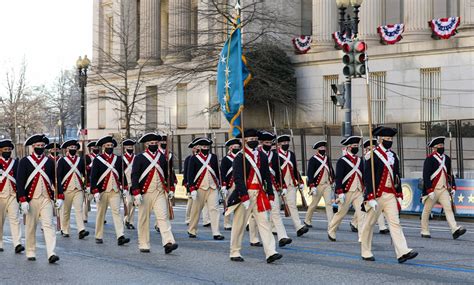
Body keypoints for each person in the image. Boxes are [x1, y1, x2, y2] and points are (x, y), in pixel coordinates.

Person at [360, 126, 418, 263]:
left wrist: (398, 193)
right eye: (387, 139)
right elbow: (367, 177)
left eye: (391, 139)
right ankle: (365, 250)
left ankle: (402, 252)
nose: (389, 141)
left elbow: (396, 176)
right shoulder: (372, 155)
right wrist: (370, 196)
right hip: (377, 195)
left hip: (390, 194)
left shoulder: (393, 156)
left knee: (395, 223)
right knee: (369, 223)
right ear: (380, 140)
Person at [228, 129, 282, 263]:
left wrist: (269, 192)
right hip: (245, 194)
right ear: (244, 141)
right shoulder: (240, 157)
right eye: (250, 139)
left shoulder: (262, 156)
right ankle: (234, 251)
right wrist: (244, 196)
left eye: (255, 139)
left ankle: (270, 252)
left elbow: (266, 176)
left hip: (259, 193)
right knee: (239, 225)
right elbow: (238, 178)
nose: (253, 142)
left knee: (265, 223)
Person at [17, 134, 62, 263]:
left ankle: (51, 253)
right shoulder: (25, 161)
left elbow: (56, 180)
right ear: (33, 147)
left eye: (42, 146)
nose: (40, 148)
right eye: (38, 146)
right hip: (31, 198)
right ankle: (30, 251)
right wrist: (23, 199)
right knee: (31, 226)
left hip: (46, 197)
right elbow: (20, 181)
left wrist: (60, 196)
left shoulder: (49, 161)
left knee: (49, 225)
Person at [131, 133, 178, 254]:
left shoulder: (163, 157)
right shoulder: (140, 158)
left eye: (155, 143)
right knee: (143, 219)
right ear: (146, 144)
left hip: (159, 192)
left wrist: (171, 188)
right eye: (151, 143)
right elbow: (134, 175)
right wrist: (136, 192)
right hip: (144, 193)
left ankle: (168, 242)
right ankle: (144, 243)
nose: (153, 145)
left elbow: (168, 174)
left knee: (163, 217)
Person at [421, 136, 466, 239]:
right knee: (427, 210)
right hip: (432, 189)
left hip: (443, 189)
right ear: (434, 148)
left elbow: (450, 174)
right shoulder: (429, 159)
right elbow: (426, 176)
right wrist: (429, 190)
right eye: (440, 146)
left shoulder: (447, 159)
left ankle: (454, 229)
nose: (442, 147)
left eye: (442, 145)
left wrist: (453, 186)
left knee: (448, 208)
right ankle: (424, 230)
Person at [90, 135, 130, 246]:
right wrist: (95, 191)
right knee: (101, 213)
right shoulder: (98, 160)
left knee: (117, 212)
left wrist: (125, 187)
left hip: (115, 190)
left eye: (111, 145)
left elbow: (122, 175)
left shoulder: (118, 159)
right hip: (102, 190)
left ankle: (120, 236)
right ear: (103, 147)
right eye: (108, 145)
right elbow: (93, 176)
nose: (110, 147)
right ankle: (98, 235)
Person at [327, 136, 365, 242]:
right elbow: (339, 177)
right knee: (341, 213)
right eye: (354, 146)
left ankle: (362, 237)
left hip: (358, 191)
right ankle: (331, 230)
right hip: (346, 191)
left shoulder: (360, 160)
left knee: (362, 214)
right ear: (348, 147)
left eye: (357, 146)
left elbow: (363, 175)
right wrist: (340, 192)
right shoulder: (342, 161)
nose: (356, 147)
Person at [258, 131, 292, 247]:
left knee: (276, 212)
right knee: (257, 215)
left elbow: (278, 172)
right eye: (266, 142)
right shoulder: (256, 154)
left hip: (272, 187)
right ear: (261, 142)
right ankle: (254, 237)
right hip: (259, 186)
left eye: (270, 142)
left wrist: (282, 186)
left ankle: (283, 236)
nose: (268, 144)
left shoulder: (275, 155)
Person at [187, 138, 224, 240]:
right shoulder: (194, 159)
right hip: (200, 187)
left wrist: (220, 185)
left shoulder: (213, 157)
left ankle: (216, 232)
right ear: (198, 147)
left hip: (213, 187)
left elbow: (217, 172)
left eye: (207, 147)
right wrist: (192, 188)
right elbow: (190, 174)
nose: (205, 148)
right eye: (203, 147)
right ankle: (192, 229)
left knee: (214, 209)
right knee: (196, 210)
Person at [350, 139, 389, 234]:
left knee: (372, 205)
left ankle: (381, 226)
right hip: (365, 185)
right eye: (369, 148)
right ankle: (356, 222)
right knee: (365, 206)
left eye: (373, 148)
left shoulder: (377, 157)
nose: (372, 150)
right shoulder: (363, 160)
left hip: (377, 185)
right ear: (366, 150)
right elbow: (363, 174)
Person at [274, 135, 308, 237]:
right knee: (276, 208)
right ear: (279, 144)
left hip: (291, 184)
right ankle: (273, 227)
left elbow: (294, 169)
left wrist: (300, 181)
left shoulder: (291, 155)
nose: (286, 144)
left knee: (292, 205)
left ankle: (299, 227)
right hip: (278, 185)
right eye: (283, 143)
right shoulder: (275, 155)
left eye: (287, 143)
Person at [57, 139, 89, 239]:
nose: (73, 149)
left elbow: (84, 174)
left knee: (79, 209)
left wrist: (87, 184)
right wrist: (59, 191)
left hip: (78, 188)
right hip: (66, 189)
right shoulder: (62, 161)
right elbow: (58, 176)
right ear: (67, 149)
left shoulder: (80, 160)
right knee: (66, 211)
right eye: (71, 148)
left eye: (75, 148)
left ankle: (81, 230)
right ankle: (65, 229)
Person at [0, 139, 24, 254]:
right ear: (0, 150)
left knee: (15, 219)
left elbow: (19, 178)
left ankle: (17, 243)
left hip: (13, 194)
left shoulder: (15, 163)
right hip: (0, 195)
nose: (7, 152)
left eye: (9, 150)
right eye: (5, 150)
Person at [304, 140, 335, 229]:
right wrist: (312, 186)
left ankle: (331, 223)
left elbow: (330, 169)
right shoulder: (313, 159)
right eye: (321, 148)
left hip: (327, 184)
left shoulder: (327, 158)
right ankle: (307, 220)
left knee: (329, 204)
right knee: (314, 204)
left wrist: (332, 179)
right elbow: (310, 173)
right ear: (317, 149)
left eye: (324, 147)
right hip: (318, 185)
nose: (323, 149)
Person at [220, 138, 241, 231]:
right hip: (230, 184)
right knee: (228, 204)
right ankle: (227, 223)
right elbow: (223, 172)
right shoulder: (226, 159)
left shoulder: (241, 158)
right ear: (230, 148)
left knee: (242, 204)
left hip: (240, 184)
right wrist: (223, 185)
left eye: (238, 147)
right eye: (235, 147)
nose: (237, 148)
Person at [83, 141, 99, 223]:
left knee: (99, 201)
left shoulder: (101, 157)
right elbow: (84, 169)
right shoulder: (87, 157)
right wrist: (91, 165)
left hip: (99, 182)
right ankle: (84, 217)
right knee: (87, 201)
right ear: (91, 149)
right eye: (94, 148)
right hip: (89, 181)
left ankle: (100, 217)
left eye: (97, 148)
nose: (96, 149)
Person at [122, 139, 137, 230]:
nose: (130, 149)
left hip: (134, 183)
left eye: (131, 147)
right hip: (126, 184)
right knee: (129, 202)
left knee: (134, 203)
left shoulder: (136, 158)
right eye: (128, 147)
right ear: (125, 148)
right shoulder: (122, 159)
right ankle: (126, 218)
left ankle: (130, 221)